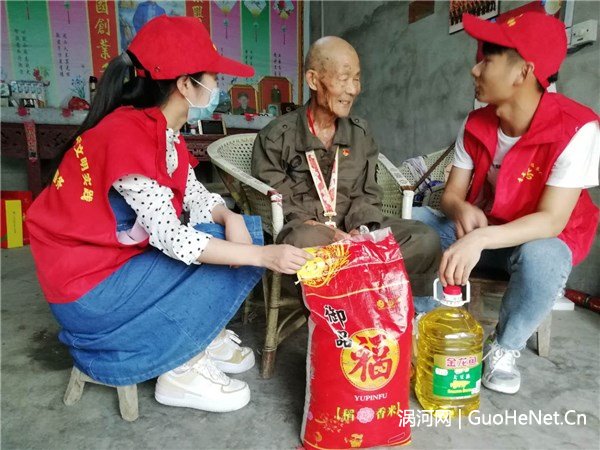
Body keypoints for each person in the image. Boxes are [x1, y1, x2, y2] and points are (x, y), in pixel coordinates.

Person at [26, 15, 311, 413]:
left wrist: (229, 218)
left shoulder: (161, 130)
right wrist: (263, 256)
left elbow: (194, 193)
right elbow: (173, 238)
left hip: (111, 264)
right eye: (213, 77)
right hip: (88, 292)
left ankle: (201, 332)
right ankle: (181, 368)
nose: (218, 86)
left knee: (236, 231)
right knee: (237, 252)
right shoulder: (127, 135)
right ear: (185, 85)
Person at [413, 12, 599, 395]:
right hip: (486, 230)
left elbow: (551, 221)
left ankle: (504, 347)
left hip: (533, 239)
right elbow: (451, 195)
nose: (475, 69)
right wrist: (461, 209)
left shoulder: (577, 129)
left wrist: (479, 239)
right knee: (414, 223)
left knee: (545, 254)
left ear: (523, 72)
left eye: (488, 60)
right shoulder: (475, 123)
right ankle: (420, 320)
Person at [251, 36, 441, 306]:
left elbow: (367, 192)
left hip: (355, 230)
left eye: (357, 79)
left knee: (424, 238)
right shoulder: (277, 137)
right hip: (310, 231)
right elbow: (279, 201)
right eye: (343, 79)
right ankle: (365, 300)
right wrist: (330, 234)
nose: (353, 89)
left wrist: (360, 230)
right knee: (304, 243)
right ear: (313, 80)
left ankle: (374, 301)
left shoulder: (359, 134)